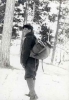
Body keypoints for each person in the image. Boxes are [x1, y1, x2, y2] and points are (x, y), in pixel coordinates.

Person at [20, 24, 39, 100]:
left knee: (28, 76)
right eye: (23, 29)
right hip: (35, 60)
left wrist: (23, 61)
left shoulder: (28, 38)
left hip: (29, 60)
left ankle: (33, 95)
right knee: (32, 76)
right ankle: (31, 92)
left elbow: (26, 51)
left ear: (29, 30)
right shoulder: (34, 37)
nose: (24, 31)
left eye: (25, 29)